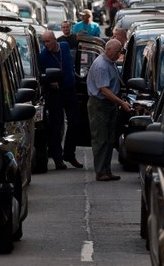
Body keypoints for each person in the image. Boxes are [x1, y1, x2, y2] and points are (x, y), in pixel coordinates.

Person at [86, 39, 131, 181]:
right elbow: (104, 90)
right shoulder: (101, 65)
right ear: (109, 50)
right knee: (100, 139)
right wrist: (121, 103)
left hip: (109, 104)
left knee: (109, 139)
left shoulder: (109, 63)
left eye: (120, 52)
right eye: (117, 52)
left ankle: (107, 170)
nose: (119, 55)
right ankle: (100, 171)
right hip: (100, 104)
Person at [38, 30, 82, 170]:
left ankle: (69, 153)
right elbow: (41, 74)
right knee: (55, 126)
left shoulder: (63, 46)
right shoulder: (43, 55)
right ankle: (57, 158)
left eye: (48, 41)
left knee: (75, 122)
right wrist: (49, 81)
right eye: (44, 42)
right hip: (55, 93)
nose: (46, 44)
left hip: (70, 90)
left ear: (54, 39)